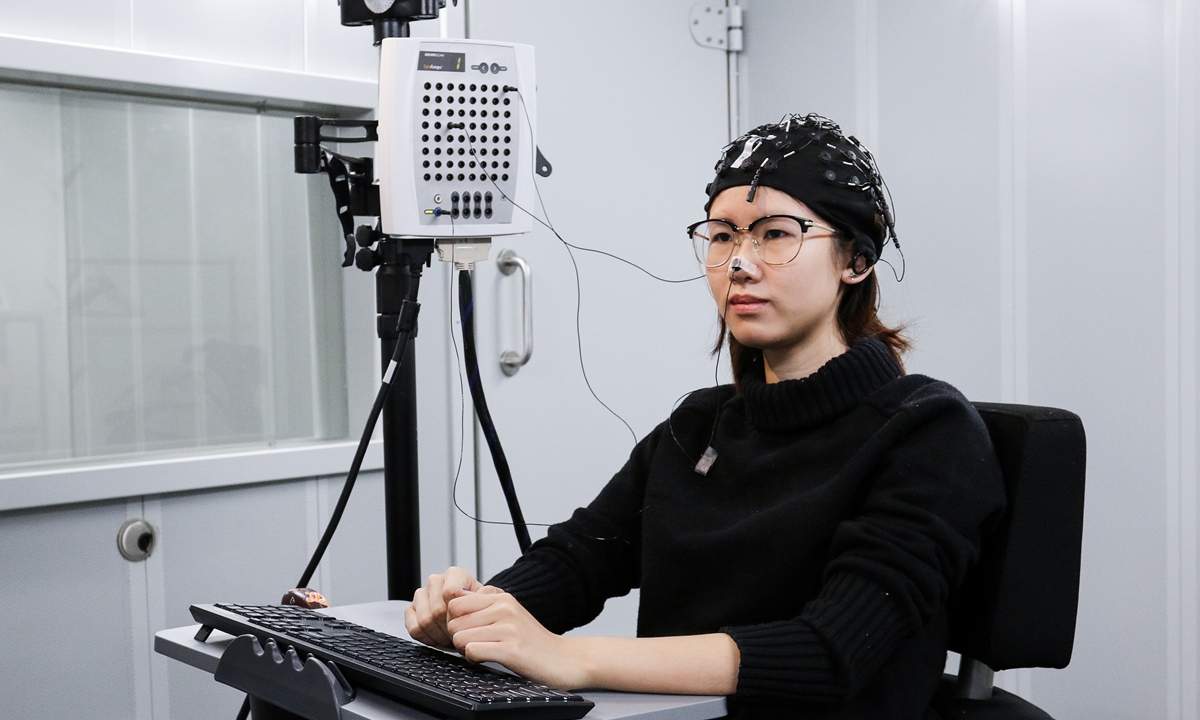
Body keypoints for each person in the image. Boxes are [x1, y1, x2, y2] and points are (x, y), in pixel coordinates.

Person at [404, 114, 1007, 719]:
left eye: (776, 234)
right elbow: (581, 558)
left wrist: (572, 657)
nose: (738, 264)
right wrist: (474, 611)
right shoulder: (700, 425)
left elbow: (828, 652)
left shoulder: (927, 431)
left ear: (856, 258)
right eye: (721, 236)